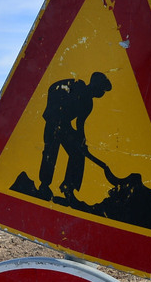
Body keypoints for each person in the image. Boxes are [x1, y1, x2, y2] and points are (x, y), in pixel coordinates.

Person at [36, 72, 112, 202]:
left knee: (77, 153)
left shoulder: (89, 104)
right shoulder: (76, 86)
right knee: (50, 152)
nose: (101, 93)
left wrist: (82, 140)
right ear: (95, 85)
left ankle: (68, 188)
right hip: (53, 120)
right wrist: (52, 111)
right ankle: (44, 186)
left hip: (65, 125)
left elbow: (80, 123)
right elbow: (53, 88)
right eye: (101, 89)